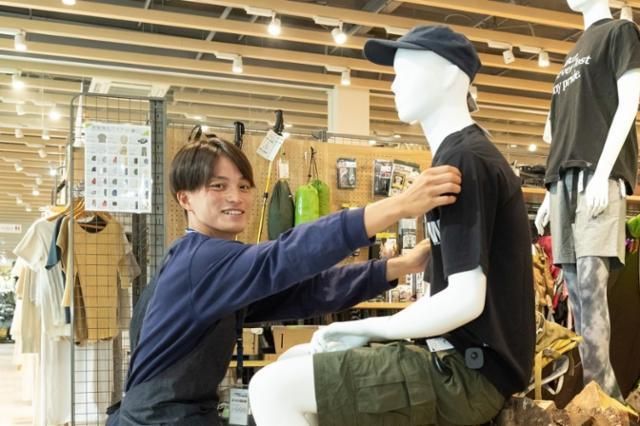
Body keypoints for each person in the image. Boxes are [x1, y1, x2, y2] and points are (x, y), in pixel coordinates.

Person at [249, 25, 535, 426]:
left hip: (466, 373)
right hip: (452, 360)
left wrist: (371, 329)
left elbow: (466, 299)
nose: (394, 85)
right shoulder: (455, 158)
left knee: (269, 388)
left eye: (405, 71)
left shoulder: (466, 161)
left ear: (450, 76)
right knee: (294, 359)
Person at [105, 125, 462, 425]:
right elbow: (286, 255)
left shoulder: (206, 262)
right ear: (185, 199)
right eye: (218, 186)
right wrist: (398, 205)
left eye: (244, 186)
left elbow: (306, 293)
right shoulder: (200, 261)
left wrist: (400, 266)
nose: (236, 197)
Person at [534, 0, 640, 401]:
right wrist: (549, 191)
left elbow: (629, 103)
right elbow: (555, 131)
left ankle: (607, 405)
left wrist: (604, 172)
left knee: (593, 298)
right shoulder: (571, 54)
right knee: (577, 304)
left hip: (597, 180)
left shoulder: (620, 33)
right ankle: (596, 404)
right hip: (562, 184)